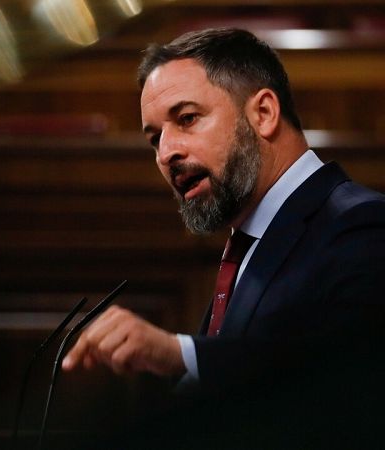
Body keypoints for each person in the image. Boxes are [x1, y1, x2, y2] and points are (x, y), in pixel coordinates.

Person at [61, 28, 385, 448]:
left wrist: (181, 355)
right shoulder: (249, 242)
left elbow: (342, 384)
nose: (166, 153)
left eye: (187, 119)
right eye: (155, 138)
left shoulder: (362, 224)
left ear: (263, 113)